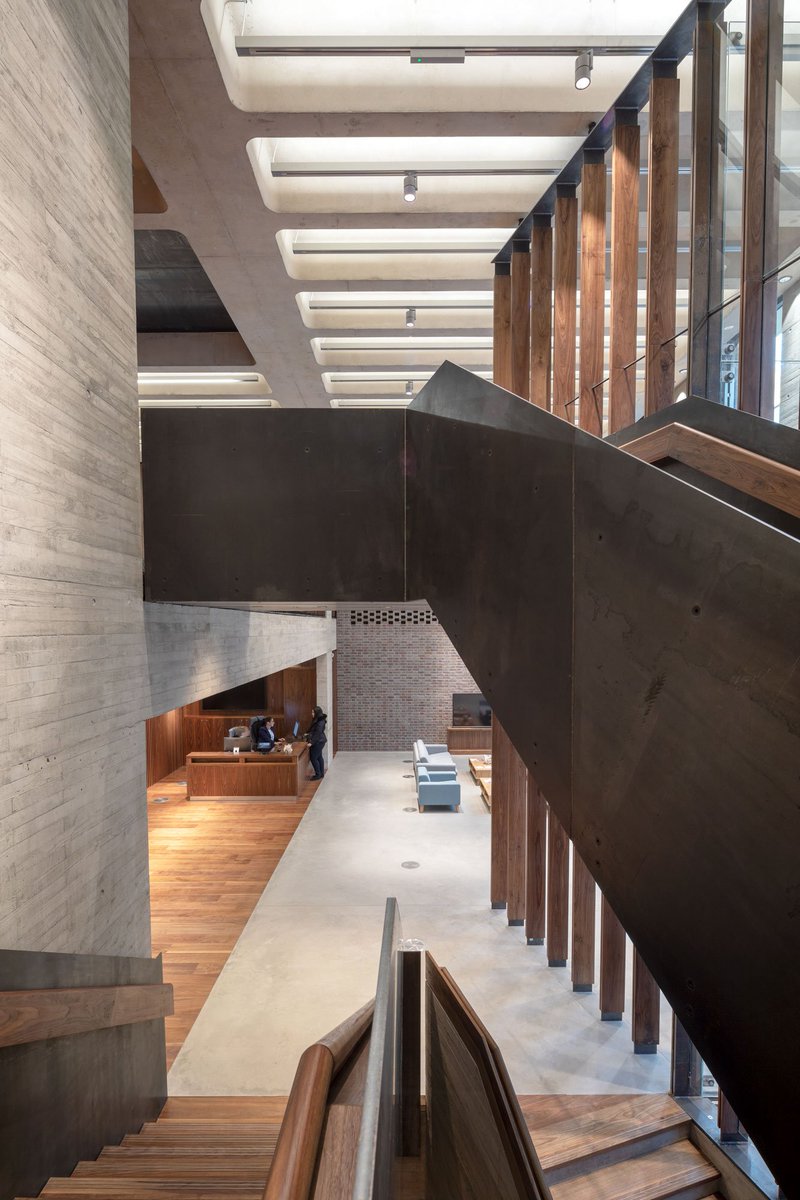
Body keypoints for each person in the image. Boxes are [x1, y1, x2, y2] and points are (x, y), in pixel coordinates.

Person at [306, 705, 327, 780]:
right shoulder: (318, 720)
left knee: (313, 757)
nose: (312, 714)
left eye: (313, 712)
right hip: (320, 741)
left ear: (317, 713)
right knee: (319, 757)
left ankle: (318, 774)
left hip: (319, 742)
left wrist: (311, 743)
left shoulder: (320, 722)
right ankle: (321, 774)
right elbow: (313, 730)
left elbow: (317, 734)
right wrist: (308, 734)